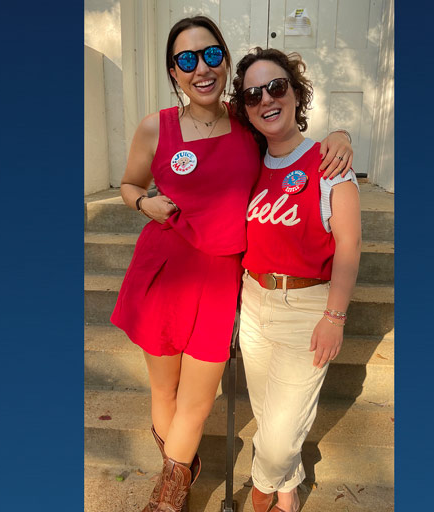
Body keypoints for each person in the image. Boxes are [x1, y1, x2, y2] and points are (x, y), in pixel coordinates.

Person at [109, 16, 354, 512]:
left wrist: (341, 135)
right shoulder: (155, 126)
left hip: (222, 281)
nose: (201, 67)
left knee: (196, 405)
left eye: (212, 55)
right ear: (174, 72)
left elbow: (288, 134)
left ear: (224, 60)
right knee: (166, 391)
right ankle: (180, 469)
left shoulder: (247, 121)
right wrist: (142, 203)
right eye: (186, 59)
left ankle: (169, 499)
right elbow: (129, 184)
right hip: (163, 274)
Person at [229, 48, 362, 512]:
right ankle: (288, 492)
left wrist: (336, 317)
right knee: (268, 415)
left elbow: (349, 245)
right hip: (254, 301)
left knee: (279, 437)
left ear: (296, 92)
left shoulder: (327, 162)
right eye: (252, 94)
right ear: (244, 108)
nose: (266, 98)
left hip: (307, 310)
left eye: (277, 86)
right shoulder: (249, 164)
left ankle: (262, 490)